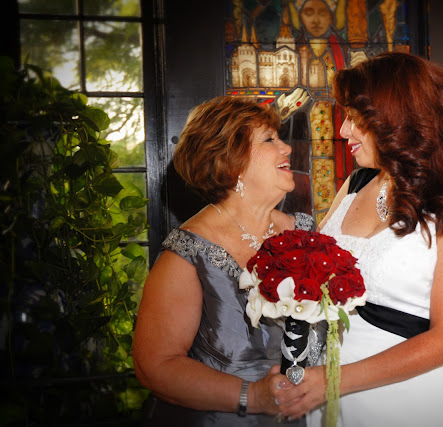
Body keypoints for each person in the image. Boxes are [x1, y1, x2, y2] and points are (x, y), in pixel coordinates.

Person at [272, 52, 443, 426]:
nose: (343, 131)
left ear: (395, 119)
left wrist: (334, 381)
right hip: (324, 387)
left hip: (408, 401)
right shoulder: (355, 183)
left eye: (355, 119)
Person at [132, 96, 316, 426]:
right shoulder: (187, 252)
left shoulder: (307, 233)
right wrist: (253, 396)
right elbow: (156, 365)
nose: (286, 148)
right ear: (231, 161)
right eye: (269, 140)